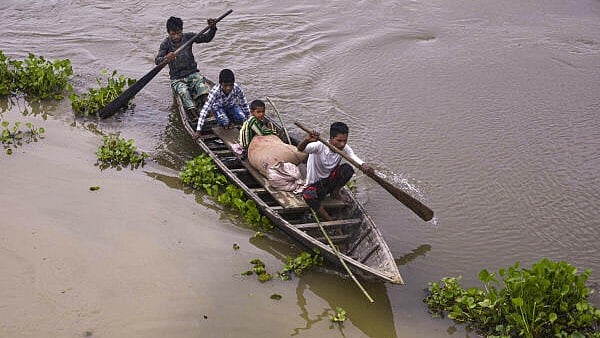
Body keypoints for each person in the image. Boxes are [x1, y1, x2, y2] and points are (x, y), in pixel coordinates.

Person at [297, 122, 373, 221]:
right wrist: (307, 140)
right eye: (339, 140)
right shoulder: (319, 146)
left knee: (348, 169)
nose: (342, 144)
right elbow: (300, 149)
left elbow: (353, 157)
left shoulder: (345, 148)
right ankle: (329, 219)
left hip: (329, 182)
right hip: (316, 185)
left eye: (345, 141)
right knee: (308, 195)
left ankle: (335, 192)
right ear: (331, 138)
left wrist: (364, 165)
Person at [155, 16, 217, 119]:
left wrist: (212, 28)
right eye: (173, 34)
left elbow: (206, 38)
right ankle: (195, 117)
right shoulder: (165, 44)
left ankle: (211, 115)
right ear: (168, 33)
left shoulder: (188, 37)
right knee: (184, 92)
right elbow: (157, 60)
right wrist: (166, 58)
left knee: (203, 89)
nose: (176, 36)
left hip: (192, 73)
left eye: (178, 33)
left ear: (182, 30)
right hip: (177, 78)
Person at [194, 69, 250, 138]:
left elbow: (244, 103)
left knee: (243, 118)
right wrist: (198, 130)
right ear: (220, 84)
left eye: (231, 85)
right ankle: (225, 122)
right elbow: (205, 109)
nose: (228, 88)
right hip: (218, 108)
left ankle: (231, 119)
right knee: (225, 122)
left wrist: (249, 117)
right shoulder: (215, 91)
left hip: (231, 106)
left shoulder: (237, 88)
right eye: (225, 85)